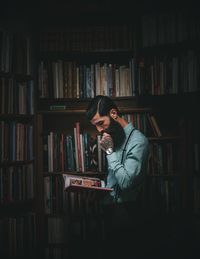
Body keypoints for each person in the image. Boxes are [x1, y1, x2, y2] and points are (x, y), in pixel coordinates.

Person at [85, 95, 149, 258]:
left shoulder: (138, 141)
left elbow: (126, 182)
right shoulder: (114, 136)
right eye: (95, 125)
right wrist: (99, 191)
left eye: (100, 123)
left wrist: (109, 151)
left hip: (127, 213)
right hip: (109, 210)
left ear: (113, 113)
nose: (99, 130)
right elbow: (115, 178)